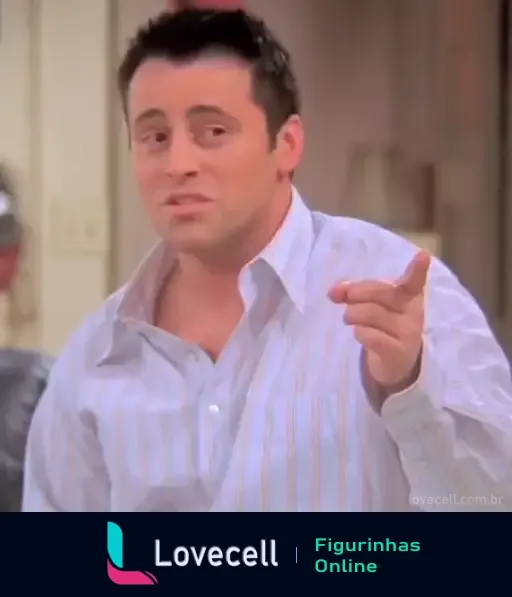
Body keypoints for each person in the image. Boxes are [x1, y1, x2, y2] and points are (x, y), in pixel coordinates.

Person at [22, 8, 512, 512]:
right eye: (156, 138)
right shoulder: (95, 355)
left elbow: (491, 516)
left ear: (287, 144)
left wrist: (409, 389)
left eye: (213, 131)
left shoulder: (401, 294)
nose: (178, 165)